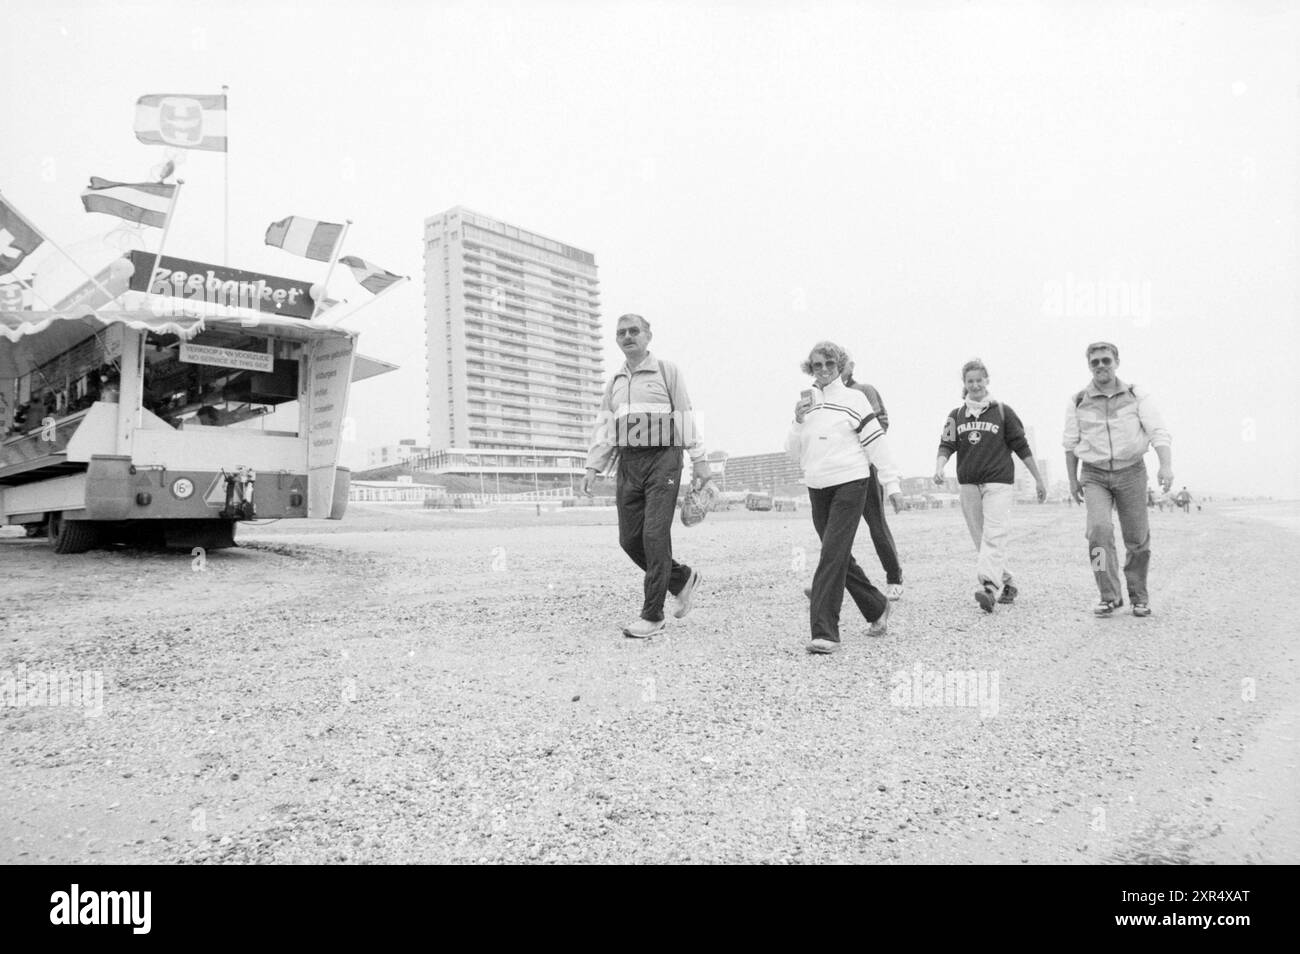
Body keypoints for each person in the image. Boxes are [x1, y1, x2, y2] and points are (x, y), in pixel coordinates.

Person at [582, 313, 710, 638]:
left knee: (654, 536)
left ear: (648, 335)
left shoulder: (667, 371)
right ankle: (682, 579)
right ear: (616, 340)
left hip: (663, 459)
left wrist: (699, 460)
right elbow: (606, 429)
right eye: (621, 332)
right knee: (629, 540)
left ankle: (653, 615)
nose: (628, 336)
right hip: (628, 462)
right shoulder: (614, 383)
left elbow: (684, 414)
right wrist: (593, 466)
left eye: (634, 331)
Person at [787, 341, 902, 654]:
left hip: (851, 482)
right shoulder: (806, 403)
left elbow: (877, 443)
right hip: (817, 486)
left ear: (840, 366)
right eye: (817, 365)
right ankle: (877, 607)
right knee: (837, 555)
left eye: (830, 364)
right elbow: (792, 451)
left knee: (831, 555)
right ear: (809, 368)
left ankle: (825, 631)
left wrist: (892, 486)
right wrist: (797, 421)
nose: (823, 370)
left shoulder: (856, 399)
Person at [1063, 341, 1173, 617]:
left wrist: (1165, 466)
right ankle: (1108, 595)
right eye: (1095, 361)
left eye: (1106, 360)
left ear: (1116, 362)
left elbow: (1158, 431)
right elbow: (1070, 444)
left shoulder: (1137, 396)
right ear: (1089, 365)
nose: (1101, 365)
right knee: (1098, 533)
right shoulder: (1077, 400)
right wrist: (1072, 480)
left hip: (1131, 472)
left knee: (1137, 539)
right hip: (1094, 474)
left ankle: (1139, 596)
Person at [935, 358, 1046, 613]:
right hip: (969, 484)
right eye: (970, 381)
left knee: (994, 535)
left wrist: (1038, 479)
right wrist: (940, 466)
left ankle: (988, 587)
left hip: (999, 484)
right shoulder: (956, 415)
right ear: (964, 384)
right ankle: (1007, 583)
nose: (975, 385)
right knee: (981, 540)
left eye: (979, 380)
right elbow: (946, 444)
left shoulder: (1003, 412)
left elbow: (1022, 447)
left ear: (987, 381)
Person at [841, 360, 904, 600]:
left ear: (850, 366)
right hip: (839, 473)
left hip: (865, 468)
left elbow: (881, 423)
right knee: (835, 532)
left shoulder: (864, 391)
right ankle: (830, 583)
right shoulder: (825, 395)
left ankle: (894, 577)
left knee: (876, 525)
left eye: (840, 362)